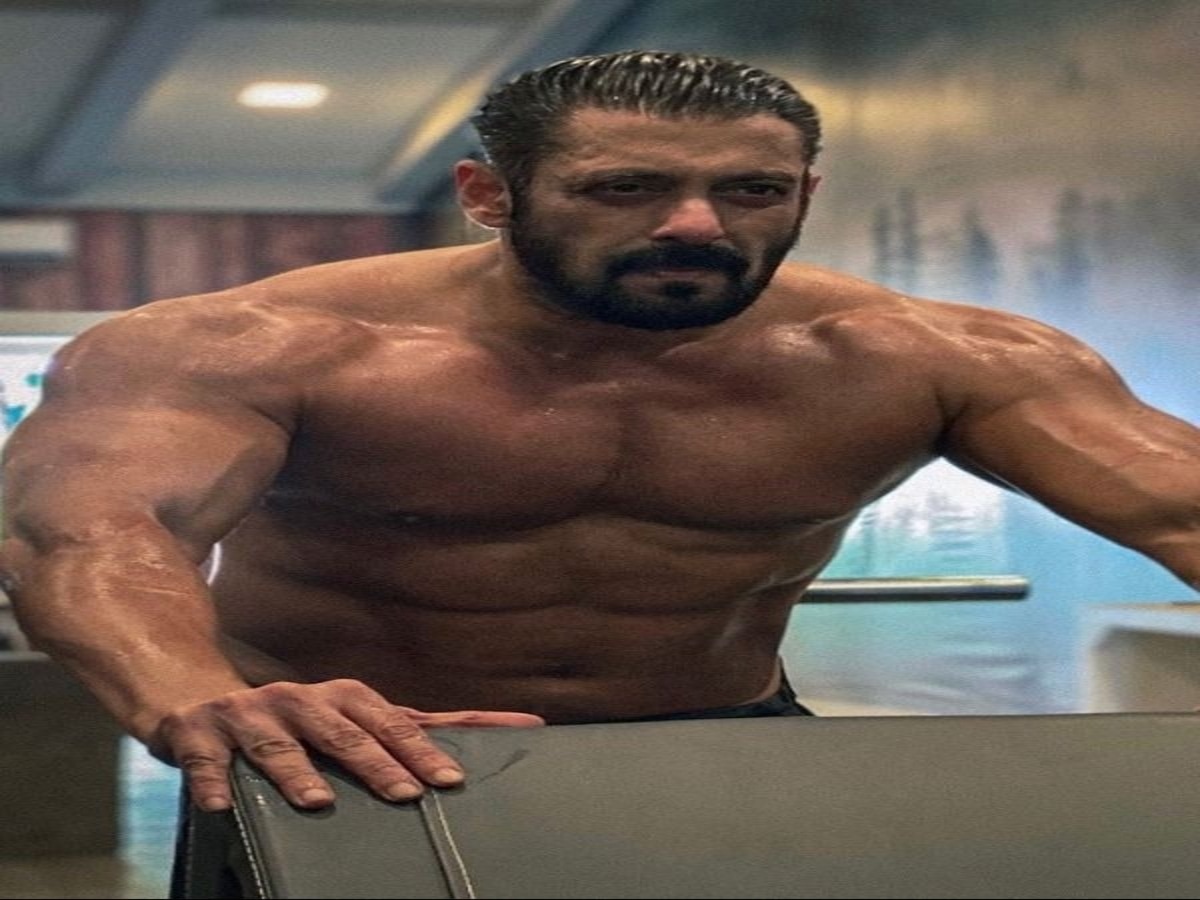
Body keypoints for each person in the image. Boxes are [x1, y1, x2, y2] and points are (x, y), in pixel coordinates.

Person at [2, 50, 1198, 821]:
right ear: (489, 196)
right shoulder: (258, 346)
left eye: (751, 191)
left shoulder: (924, 359)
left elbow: (1177, 503)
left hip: (721, 751)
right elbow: (89, 533)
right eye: (626, 188)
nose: (697, 225)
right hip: (347, 760)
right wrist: (195, 696)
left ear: (804, 195)